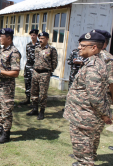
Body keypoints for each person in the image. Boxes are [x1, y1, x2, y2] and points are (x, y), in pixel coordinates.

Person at [63, 31, 112, 166]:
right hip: (83, 115)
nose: (79, 47)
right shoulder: (93, 62)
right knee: (86, 148)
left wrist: (105, 115)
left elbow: (96, 96)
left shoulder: (93, 67)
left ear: (94, 48)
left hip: (84, 117)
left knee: (83, 152)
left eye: (83, 45)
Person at [0, 28, 21, 144]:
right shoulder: (2, 50)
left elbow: (15, 73)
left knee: (6, 109)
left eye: (2, 36)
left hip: (7, 86)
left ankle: (6, 134)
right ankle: (1, 128)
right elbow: (1, 66)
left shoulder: (14, 52)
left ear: (9, 38)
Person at [26, 32, 58, 120]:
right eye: (39, 38)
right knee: (34, 92)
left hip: (45, 73)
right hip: (36, 72)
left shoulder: (51, 49)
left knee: (43, 93)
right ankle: (35, 109)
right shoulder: (36, 48)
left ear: (47, 39)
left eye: (42, 38)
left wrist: (49, 70)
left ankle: (42, 111)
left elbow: (54, 62)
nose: (40, 40)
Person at [20, 29, 39, 105]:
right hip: (28, 66)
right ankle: (27, 98)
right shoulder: (28, 45)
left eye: (34, 35)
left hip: (35, 67)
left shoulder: (39, 45)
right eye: (31, 35)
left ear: (37, 35)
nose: (32, 36)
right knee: (27, 82)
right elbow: (27, 55)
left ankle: (34, 101)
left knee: (35, 84)